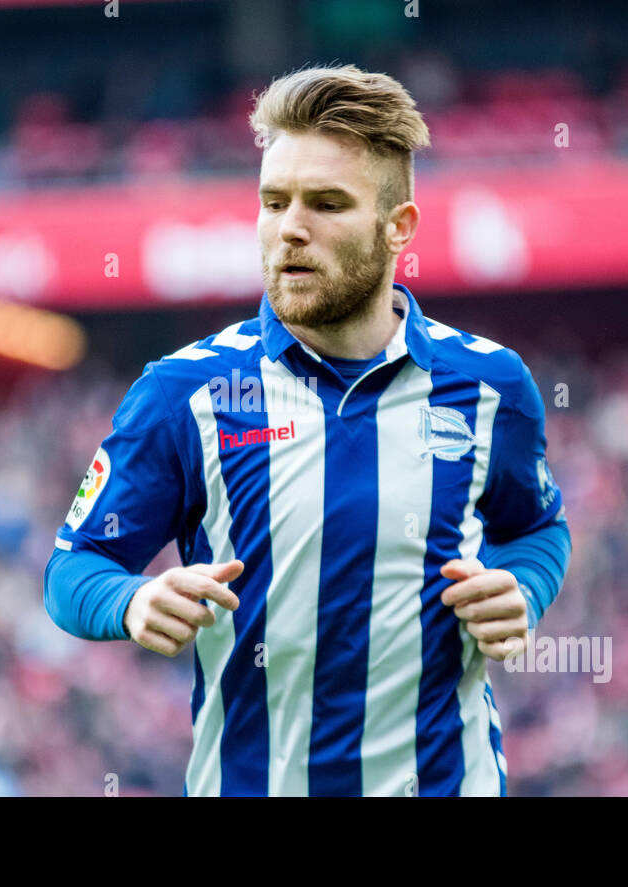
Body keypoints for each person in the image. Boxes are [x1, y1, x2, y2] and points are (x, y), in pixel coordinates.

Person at [45, 64, 571, 796]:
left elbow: (539, 528)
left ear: (398, 227)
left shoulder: (491, 386)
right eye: (274, 201)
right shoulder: (182, 393)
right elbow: (73, 568)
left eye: (326, 203)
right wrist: (130, 601)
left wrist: (523, 588)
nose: (291, 227)